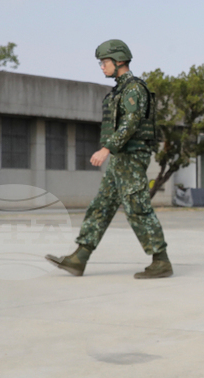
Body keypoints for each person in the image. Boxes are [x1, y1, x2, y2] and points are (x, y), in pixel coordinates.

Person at [46, 39, 172, 279]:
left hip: (132, 157)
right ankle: (79, 258)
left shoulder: (134, 88)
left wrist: (107, 148)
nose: (102, 66)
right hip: (120, 158)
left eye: (105, 62)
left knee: (137, 208)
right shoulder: (120, 90)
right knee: (101, 206)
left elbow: (131, 122)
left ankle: (161, 261)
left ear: (119, 61)